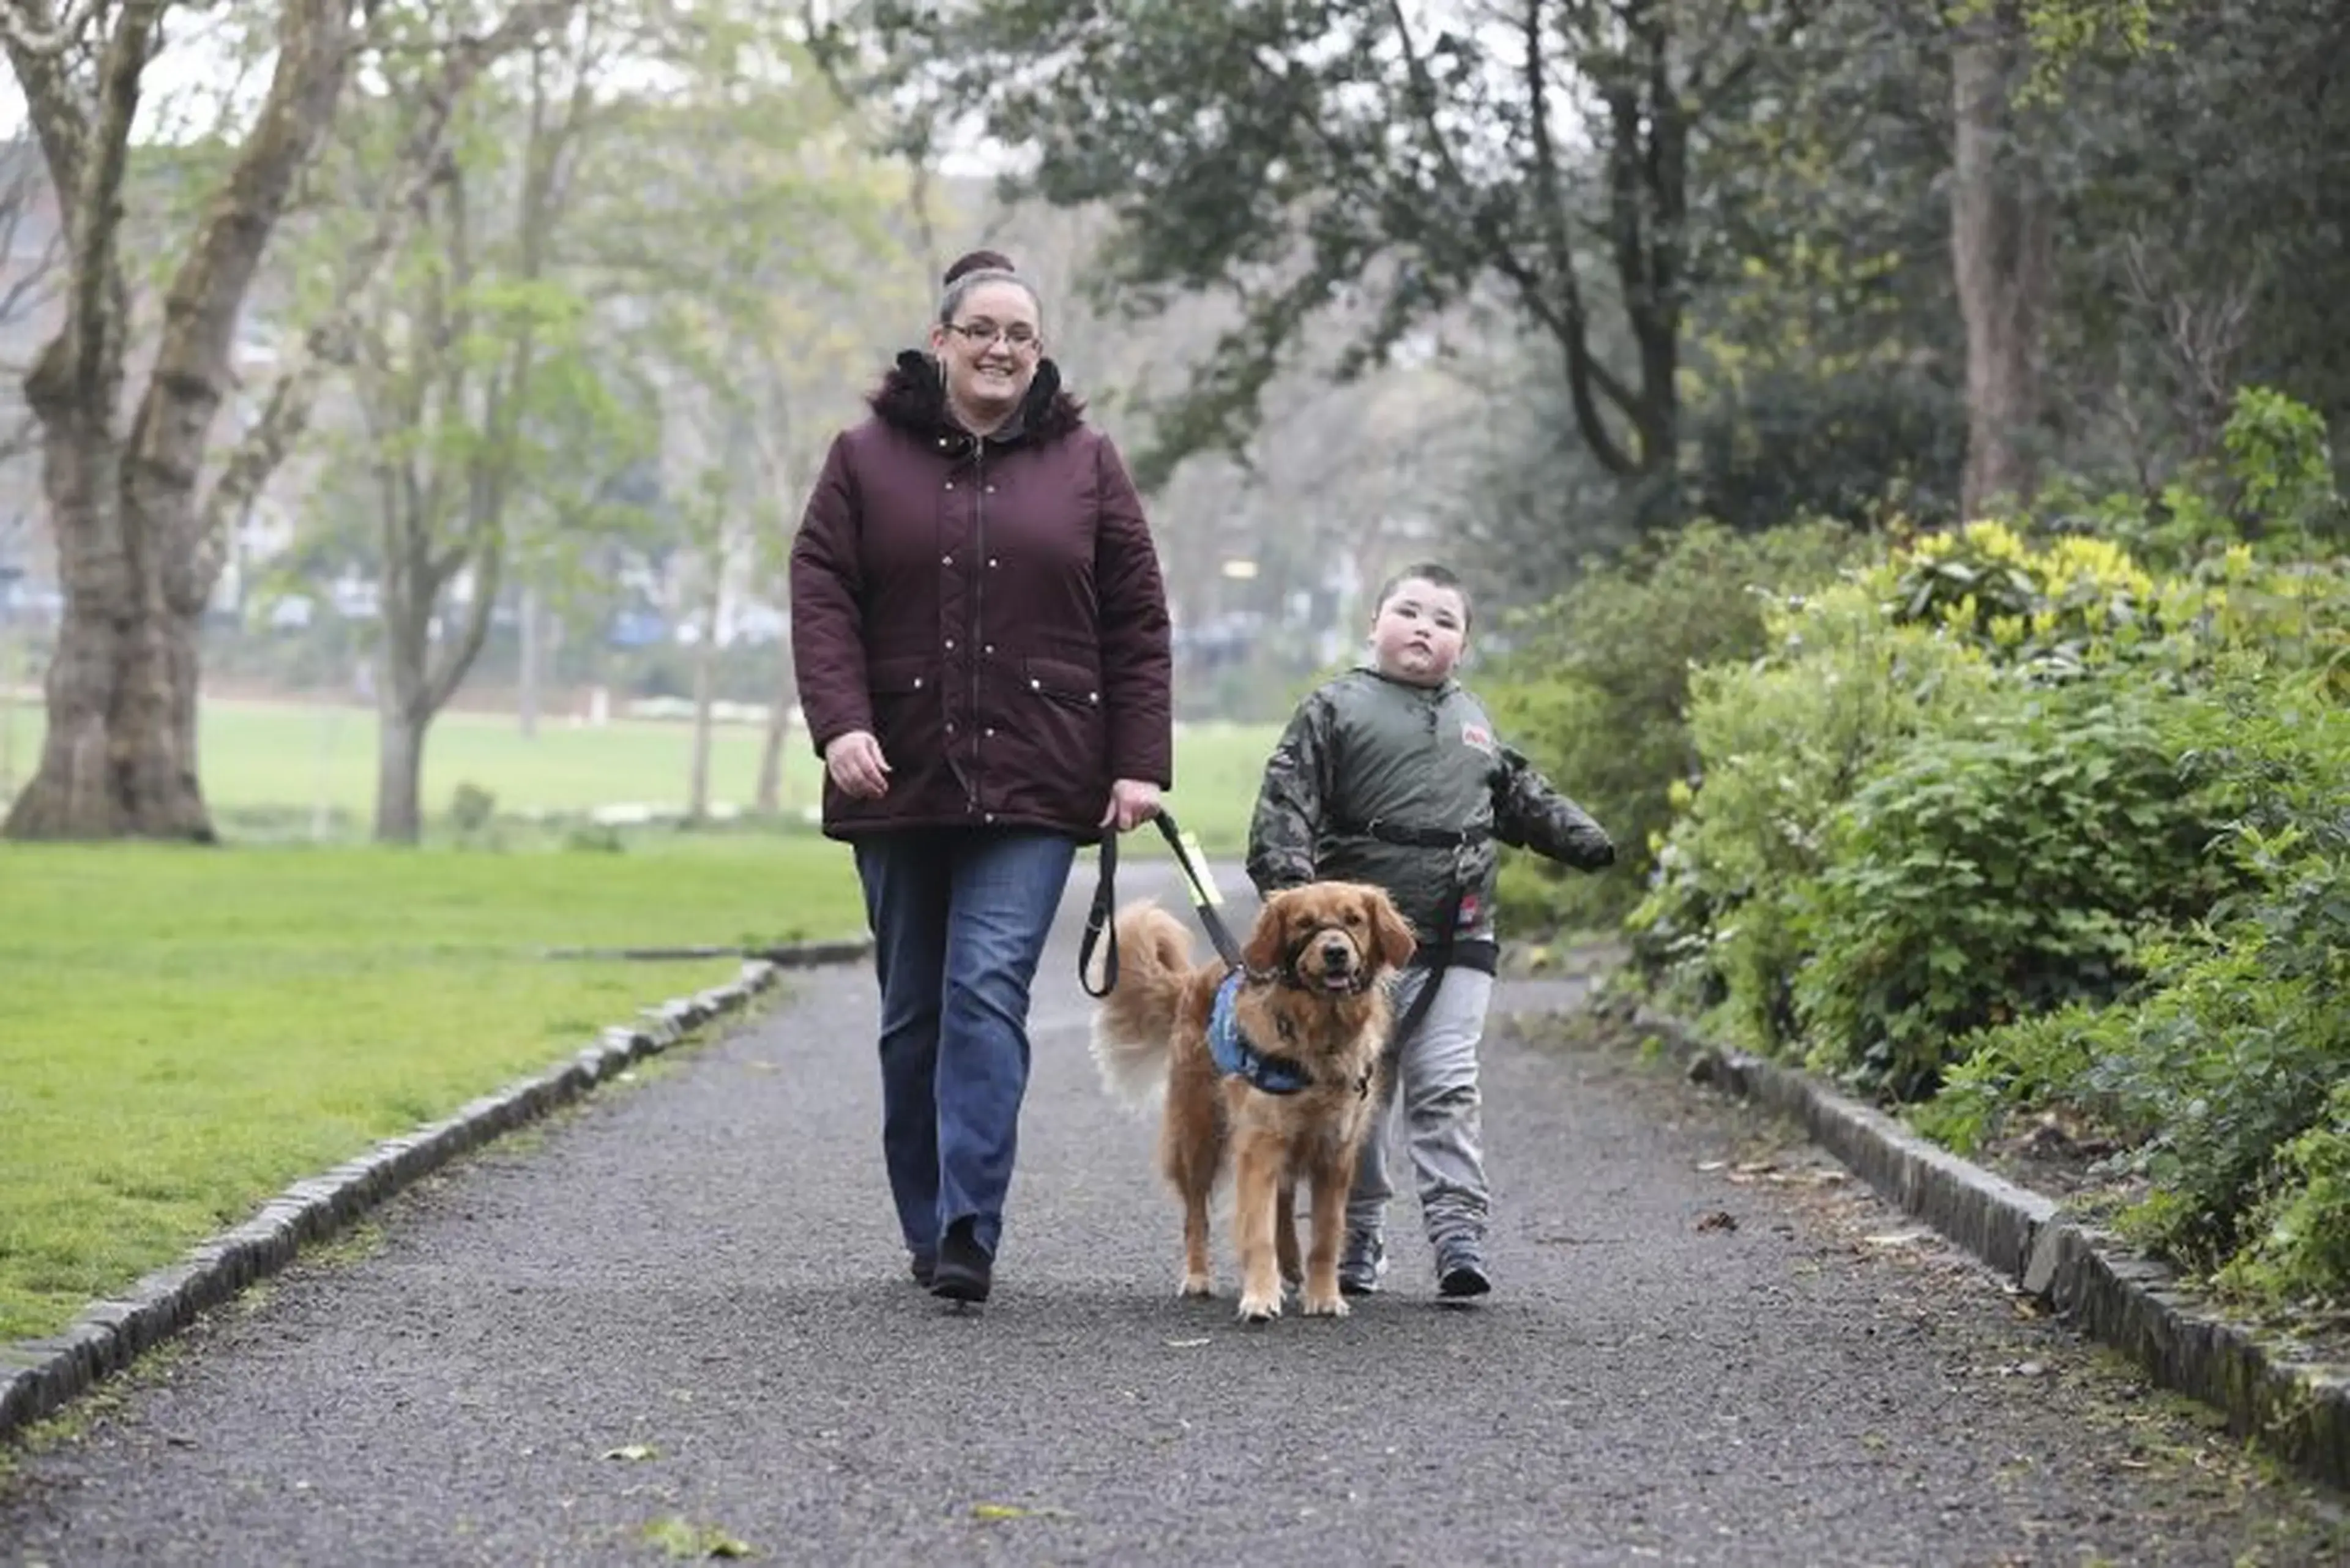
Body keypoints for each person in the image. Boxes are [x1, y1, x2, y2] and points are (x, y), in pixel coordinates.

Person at [790, 248, 1173, 1305]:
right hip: (896, 774)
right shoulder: (864, 458)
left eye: (1022, 334)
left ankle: (970, 1225)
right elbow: (821, 597)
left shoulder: (1087, 463)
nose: (1002, 348)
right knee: (913, 1006)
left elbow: (1138, 618)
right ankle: (925, 1216)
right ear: (942, 341)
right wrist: (840, 727)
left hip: (1043, 776)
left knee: (984, 989)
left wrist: (1139, 760)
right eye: (984, 330)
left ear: (1038, 353)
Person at [1245, 561, 1614, 1299]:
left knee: (1446, 1082)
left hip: (1460, 933)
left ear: (1464, 646)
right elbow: (1285, 805)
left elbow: (1518, 794)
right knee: (1360, 1094)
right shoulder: (1334, 709)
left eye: (1446, 622)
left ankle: (1458, 1234)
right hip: (1359, 953)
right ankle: (1356, 1234)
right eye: (1410, 612)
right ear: (1373, 626)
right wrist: (1292, 910)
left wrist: (1582, 837)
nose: (1425, 628)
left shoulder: (1473, 722)